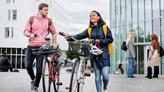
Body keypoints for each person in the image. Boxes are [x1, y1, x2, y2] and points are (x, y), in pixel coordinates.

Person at [64, 10, 113, 92]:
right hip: (94, 55)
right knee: (97, 76)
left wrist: (100, 41)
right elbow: (80, 35)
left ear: (98, 17)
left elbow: (110, 39)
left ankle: (105, 86)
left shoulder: (105, 28)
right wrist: (69, 37)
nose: (92, 17)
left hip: (104, 54)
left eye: (93, 15)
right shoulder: (89, 29)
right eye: (90, 16)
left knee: (105, 76)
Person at [23, 3, 57, 92]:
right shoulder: (31, 19)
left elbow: (54, 32)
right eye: (45, 10)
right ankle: (33, 79)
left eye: (47, 10)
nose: (47, 12)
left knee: (39, 69)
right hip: (31, 46)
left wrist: (54, 42)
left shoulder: (49, 21)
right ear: (39, 10)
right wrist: (30, 34)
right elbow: (25, 31)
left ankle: (36, 86)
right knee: (27, 66)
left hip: (42, 47)